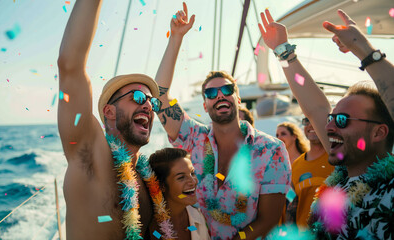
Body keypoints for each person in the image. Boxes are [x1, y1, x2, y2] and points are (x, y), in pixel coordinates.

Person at [155, 3, 291, 239]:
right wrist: (176, 38)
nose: (219, 95)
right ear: (205, 105)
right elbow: (159, 96)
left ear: (237, 98)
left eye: (227, 89)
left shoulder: (272, 150)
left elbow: (269, 219)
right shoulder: (193, 138)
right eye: (210, 93)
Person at [259, 9, 394, 239]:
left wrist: (363, 50)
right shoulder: (340, 182)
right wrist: (283, 51)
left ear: (379, 132)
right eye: (332, 119)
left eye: (342, 120)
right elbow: (316, 109)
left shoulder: (389, 189)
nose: (330, 126)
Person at [57, 1, 164, 239]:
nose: (147, 104)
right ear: (109, 112)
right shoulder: (90, 156)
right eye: (137, 97)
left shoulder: (146, 179)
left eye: (151, 101)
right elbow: (70, 66)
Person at [149, 148, 211, 240]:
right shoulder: (152, 228)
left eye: (192, 173)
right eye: (181, 177)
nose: (193, 181)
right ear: (162, 185)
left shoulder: (198, 217)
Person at [285, 117, 335, 228]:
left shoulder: (337, 160)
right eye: (307, 120)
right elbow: (292, 205)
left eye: (315, 119)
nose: (310, 125)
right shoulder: (296, 165)